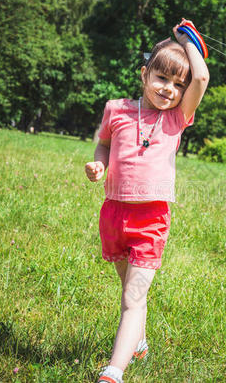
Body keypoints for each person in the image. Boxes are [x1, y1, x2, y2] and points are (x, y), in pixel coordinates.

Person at [85, 19, 209, 383]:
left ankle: (114, 371)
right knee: (129, 290)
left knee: (133, 298)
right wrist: (98, 163)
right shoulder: (116, 109)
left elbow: (200, 79)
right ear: (144, 73)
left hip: (151, 219)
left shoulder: (177, 118)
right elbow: (103, 142)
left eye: (177, 84)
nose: (169, 89)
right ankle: (138, 341)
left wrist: (186, 40)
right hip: (114, 214)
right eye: (162, 78)